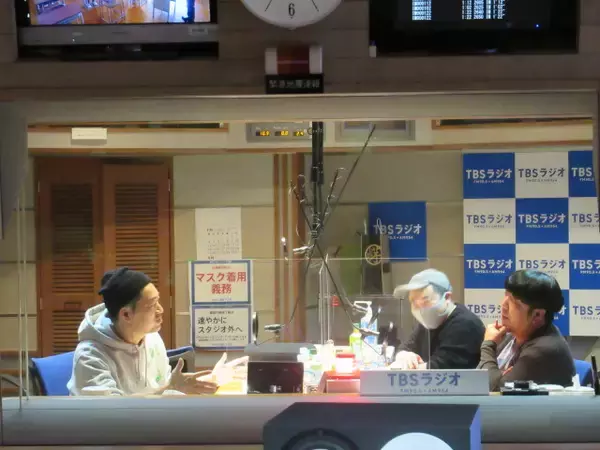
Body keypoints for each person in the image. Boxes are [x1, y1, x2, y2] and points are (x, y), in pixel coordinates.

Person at [68, 267, 222, 396]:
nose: (160, 310)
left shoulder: (152, 338)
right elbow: (112, 414)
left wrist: (180, 387)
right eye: (152, 305)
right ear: (126, 315)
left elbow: (162, 386)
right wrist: (171, 387)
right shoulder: (90, 356)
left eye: (158, 300)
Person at [477, 270, 575, 391]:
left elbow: (495, 391)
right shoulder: (512, 335)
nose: (504, 306)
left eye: (513, 302)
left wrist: (488, 345)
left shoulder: (544, 351)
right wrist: (498, 377)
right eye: (505, 296)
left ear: (537, 315)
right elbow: (477, 380)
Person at [391, 269, 485, 370]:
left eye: (425, 300)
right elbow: (406, 346)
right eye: (413, 302)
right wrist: (403, 355)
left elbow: (440, 368)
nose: (419, 307)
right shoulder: (427, 323)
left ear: (447, 297)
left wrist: (407, 367)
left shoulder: (465, 324)